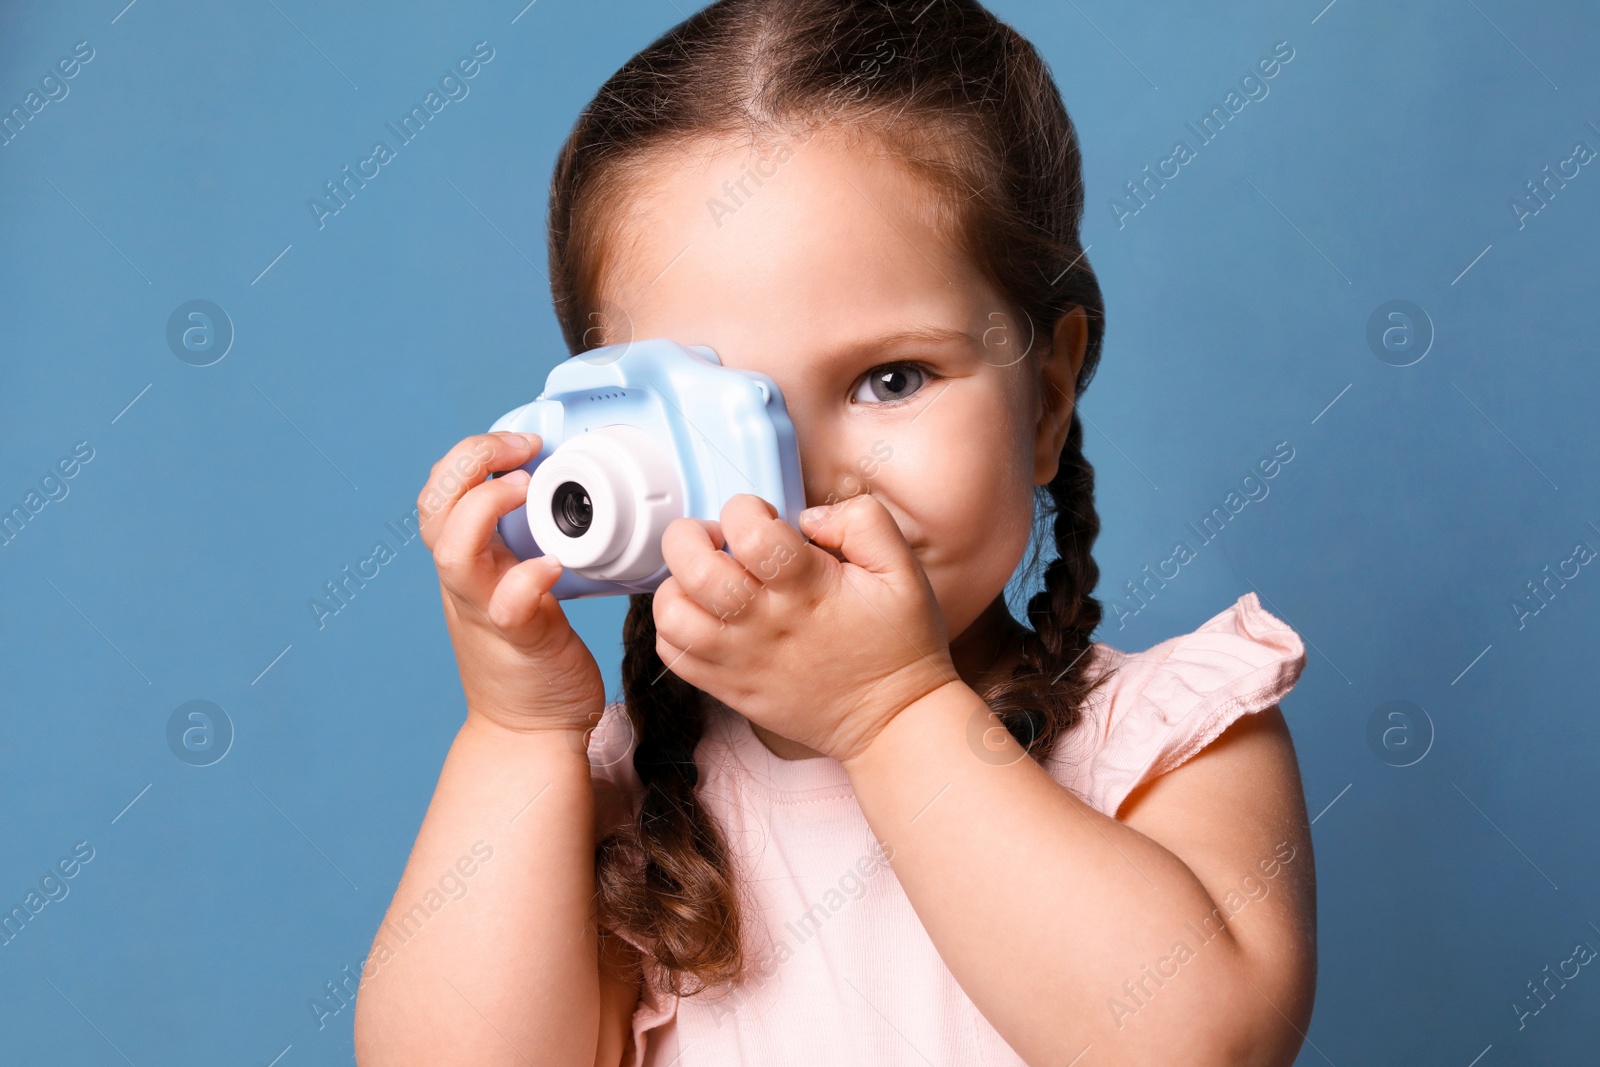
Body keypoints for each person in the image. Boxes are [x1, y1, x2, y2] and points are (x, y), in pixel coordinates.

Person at [354, 1, 1317, 1064]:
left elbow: (1191, 1043)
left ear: (1044, 399)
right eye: (721, 415)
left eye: (889, 378)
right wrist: (515, 731)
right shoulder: (626, 807)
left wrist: (886, 710)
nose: (802, 478)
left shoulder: (1165, 740)